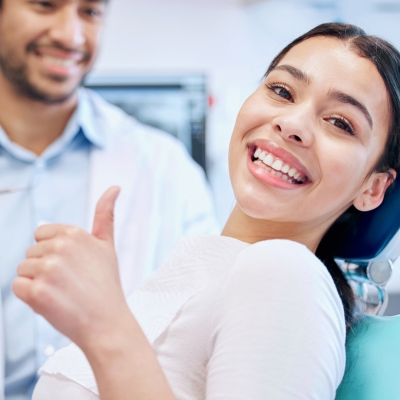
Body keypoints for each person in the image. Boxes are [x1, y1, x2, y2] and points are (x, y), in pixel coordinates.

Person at [14, 22, 400, 399]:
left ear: (373, 187)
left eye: (340, 123)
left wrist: (105, 326)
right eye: (282, 90)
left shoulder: (285, 272)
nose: (291, 124)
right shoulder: (201, 270)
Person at [0, 0, 218, 398]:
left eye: (90, 12)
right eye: (45, 5)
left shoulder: (168, 170)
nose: (70, 35)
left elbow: (201, 343)